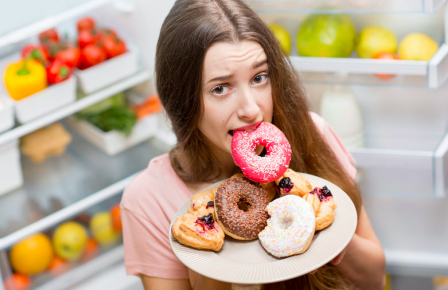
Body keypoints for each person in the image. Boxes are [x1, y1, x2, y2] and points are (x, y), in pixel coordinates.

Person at [120, 0, 386, 289]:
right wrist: (210, 247)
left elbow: (373, 279)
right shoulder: (149, 198)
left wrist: (318, 229)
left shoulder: (312, 133)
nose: (251, 109)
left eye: (259, 77)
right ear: (183, 99)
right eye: (220, 88)